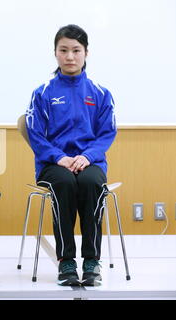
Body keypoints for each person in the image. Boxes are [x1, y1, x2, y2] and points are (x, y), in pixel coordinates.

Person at [25, 24, 117, 286]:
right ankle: (66, 262)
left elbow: (107, 133)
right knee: (64, 184)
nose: (70, 56)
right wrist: (58, 158)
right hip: (53, 164)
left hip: (90, 162)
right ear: (55, 53)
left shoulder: (100, 93)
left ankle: (91, 261)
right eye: (63, 50)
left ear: (86, 52)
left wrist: (88, 156)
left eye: (76, 50)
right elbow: (36, 135)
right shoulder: (42, 93)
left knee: (90, 183)